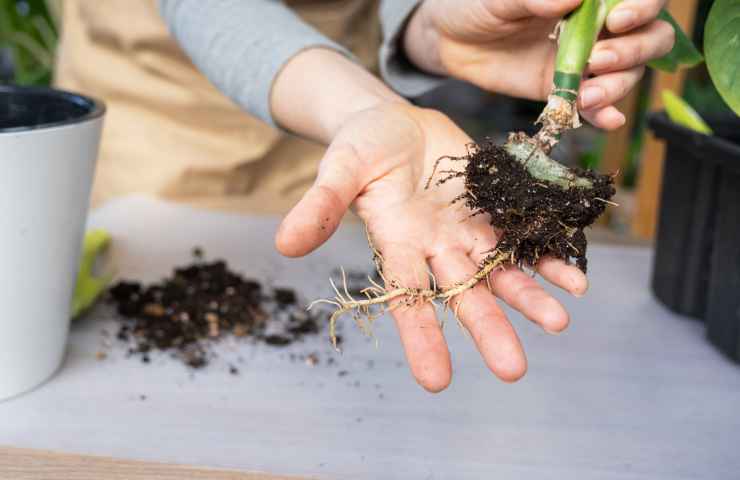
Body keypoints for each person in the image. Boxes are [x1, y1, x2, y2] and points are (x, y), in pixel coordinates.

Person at [56, 0, 674, 392]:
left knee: (310, 349)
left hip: (363, 136)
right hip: (154, 110)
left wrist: (426, 27)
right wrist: (366, 107)